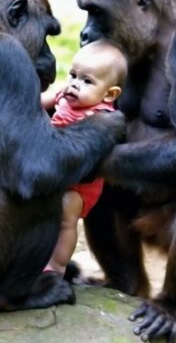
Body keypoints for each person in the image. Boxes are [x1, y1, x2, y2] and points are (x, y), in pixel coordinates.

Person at [41, 40, 128, 275]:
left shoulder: (102, 116)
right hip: (54, 168)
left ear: (109, 94)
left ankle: (56, 266)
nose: (75, 85)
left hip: (79, 187)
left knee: (66, 219)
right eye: (73, 75)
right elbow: (36, 103)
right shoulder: (65, 96)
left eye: (87, 81)